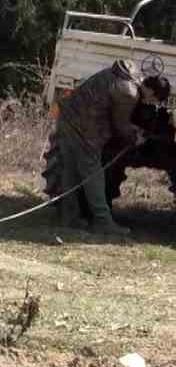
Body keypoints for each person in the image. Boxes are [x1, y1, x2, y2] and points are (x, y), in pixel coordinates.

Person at [47, 59, 170, 235]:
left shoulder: (132, 75)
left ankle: (69, 218)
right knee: (93, 173)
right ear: (149, 90)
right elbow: (121, 126)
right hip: (84, 128)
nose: (151, 103)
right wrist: (137, 137)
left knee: (70, 171)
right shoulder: (129, 92)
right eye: (153, 99)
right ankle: (102, 221)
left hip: (68, 117)